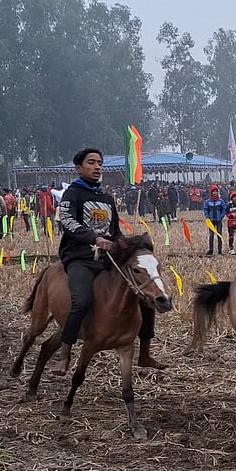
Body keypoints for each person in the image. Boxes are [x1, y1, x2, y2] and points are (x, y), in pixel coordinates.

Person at [52, 148, 166, 377]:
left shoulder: (106, 198)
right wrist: (94, 238)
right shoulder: (72, 194)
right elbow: (67, 222)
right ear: (79, 168)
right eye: (91, 162)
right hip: (80, 257)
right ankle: (65, 352)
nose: (97, 167)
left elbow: (114, 231)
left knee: (144, 296)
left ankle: (144, 352)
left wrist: (127, 244)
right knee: (81, 301)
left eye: (99, 163)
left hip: (107, 258)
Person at [202, 185, 226, 255]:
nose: (215, 193)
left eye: (216, 191)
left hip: (219, 221)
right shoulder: (208, 202)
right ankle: (211, 250)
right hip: (211, 221)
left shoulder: (221, 201)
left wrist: (221, 217)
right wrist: (207, 217)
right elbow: (205, 210)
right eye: (214, 191)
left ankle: (220, 250)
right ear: (211, 193)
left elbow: (224, 209)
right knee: (211, 236)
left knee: (219, 235)